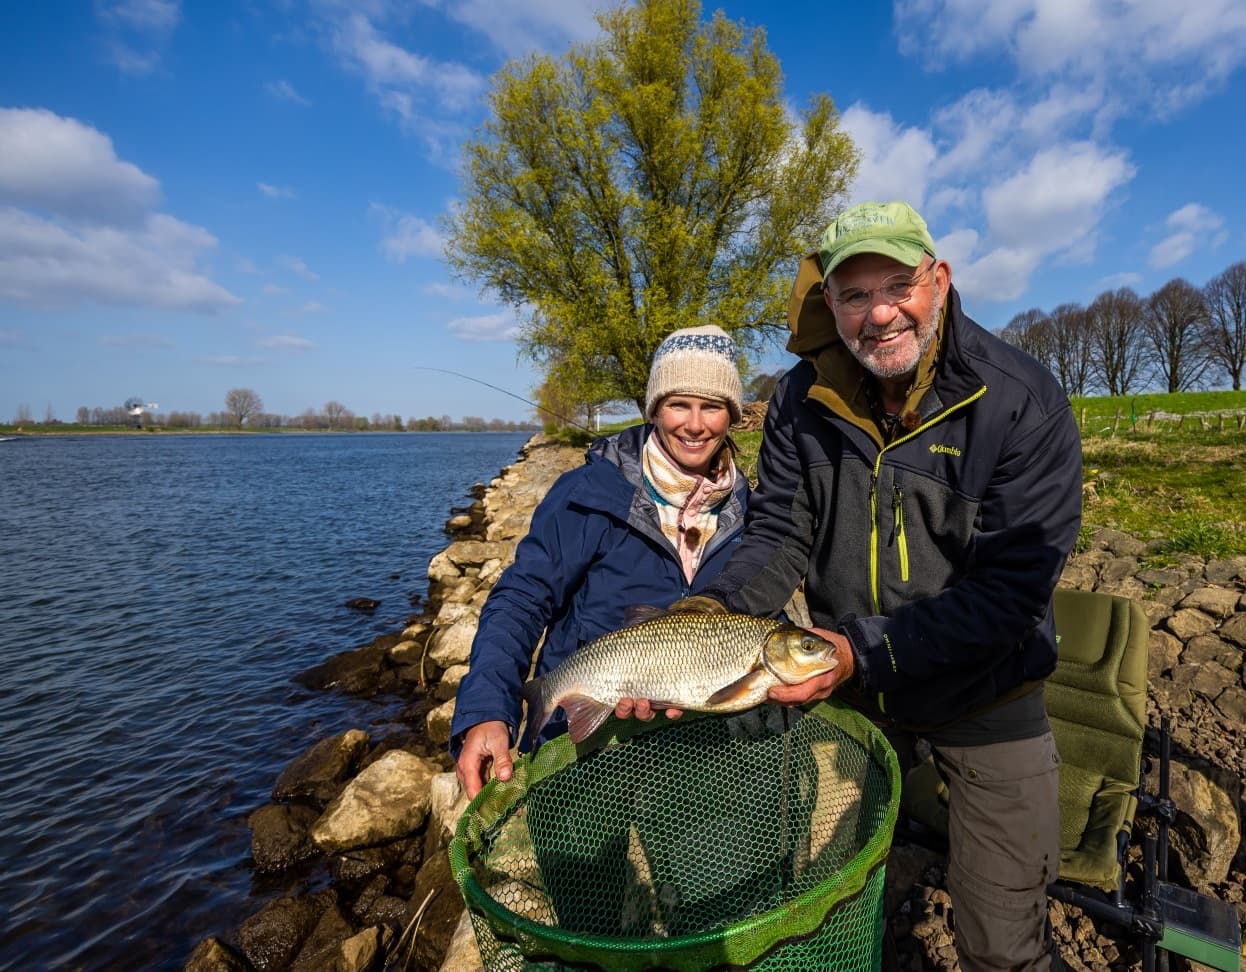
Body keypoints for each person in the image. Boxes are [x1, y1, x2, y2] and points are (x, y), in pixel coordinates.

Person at [679, 201, 1082, 971]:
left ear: (939, 281)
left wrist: (858, 651)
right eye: (855, 295)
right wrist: (712, 616)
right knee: (823, 898)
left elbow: (1010, 596)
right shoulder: (801, 399)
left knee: (1001, 943)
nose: (880, 314)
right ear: (829, 305)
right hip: (855, 691)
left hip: (987, 692)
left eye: (898, 285)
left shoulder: (1022, 402)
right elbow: (778, 535)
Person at [450, 324, 750, 798]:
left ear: (731, 415)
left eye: (712, 407)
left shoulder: (749, 510)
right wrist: (488, 708)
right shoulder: (587, 493)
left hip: (696, 747)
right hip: (582, 735)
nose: (695, 425)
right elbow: (521, 599)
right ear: (654, 409)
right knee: (573, 869)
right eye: (678, 404)